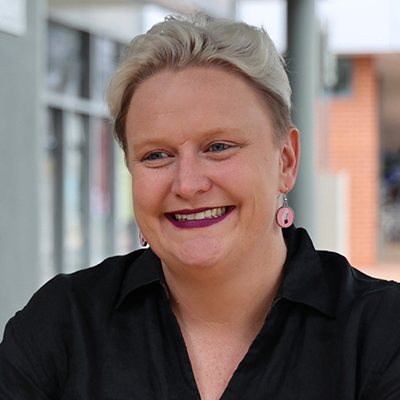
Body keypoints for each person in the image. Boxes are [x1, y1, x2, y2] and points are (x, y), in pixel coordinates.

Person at [1, 13, 400, 400]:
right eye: (156, 155)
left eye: (219, 147)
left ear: (285, 161)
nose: (188, 185)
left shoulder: (382, 334)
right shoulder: (61, 325)